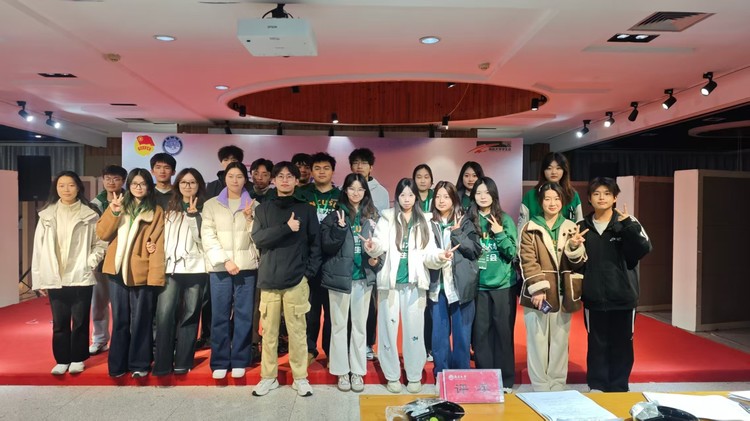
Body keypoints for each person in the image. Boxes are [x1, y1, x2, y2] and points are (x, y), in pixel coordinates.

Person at [362, 178, 452, 394]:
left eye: (410, 195)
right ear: (397, 197)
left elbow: (429, 253)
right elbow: (379, 244)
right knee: (388, 330)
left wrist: (440, 256)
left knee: (414, 331)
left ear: (416, 197)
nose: (407, 199)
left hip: (414, 284)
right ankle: (391, 375)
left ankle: (414, 374)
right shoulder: (387, 218)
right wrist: (372, 247)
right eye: (403, 195)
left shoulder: (424, 220)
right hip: (390, 284)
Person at [251, 162, 321, 397]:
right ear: (273, 180)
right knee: (269, 332)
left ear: (296, 180)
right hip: (269, 279)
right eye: (280, 176)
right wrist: (286, 228)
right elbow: (259, 239)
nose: (284, 180)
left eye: (289, 176)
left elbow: (315, 244)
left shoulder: (306, 210)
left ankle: (300, 377)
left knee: (298, 331)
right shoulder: (263, 209)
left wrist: (307, 273)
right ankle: (268, 377)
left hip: (297, 280)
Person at [578, 177, 651, 392]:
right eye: (596, 194)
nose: (602, 198)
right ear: (589, 198)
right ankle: (597, 385)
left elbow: (644, 249)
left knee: (622, 344)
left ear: (615, 197)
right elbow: (575, 263)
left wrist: (628, 227)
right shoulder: (581, 226)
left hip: (623, 297)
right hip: (593, 298)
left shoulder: (628, 222)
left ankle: (619, 387)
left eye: (607, 193)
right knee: (596, 343)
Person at [31, 171, 107, 375]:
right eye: (61, 185)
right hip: (56, 275)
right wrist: (39, 280)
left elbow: (100, 243)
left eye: (71, 185)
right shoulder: (46, 215)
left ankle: (78, 358)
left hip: (80, 274)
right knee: (59, 322)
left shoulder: (89, 214)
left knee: (80, 320)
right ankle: (62, 359)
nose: (66, 189)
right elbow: (38, 249)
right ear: (56, 189)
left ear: (78, 188)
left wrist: (90, 262)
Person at [518, 182, 588, 392]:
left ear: (563, 201)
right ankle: (540, 385)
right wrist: (538, 288)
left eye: (557, 199)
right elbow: (527, 260)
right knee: (537, 342)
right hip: (538, 296)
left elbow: (579, 263)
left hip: (564, 294)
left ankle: (557, 384)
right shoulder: (530, 227)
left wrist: (574, 247)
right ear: (541, 202)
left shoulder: (571, 227)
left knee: (560, 342)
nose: (552, 203)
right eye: (548, 198)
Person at [96, 168, 165, 378]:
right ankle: (117, 365)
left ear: (149, 187)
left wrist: (155, 276)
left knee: (141, 319)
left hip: (141, 272)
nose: (138, 187)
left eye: (143, 184)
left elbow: (158, 245)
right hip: (117, 271)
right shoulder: (119, 206)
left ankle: (140, 364)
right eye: (135, 184)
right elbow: (102, 233)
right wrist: (114, 212)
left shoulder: (156, 211)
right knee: (120, 319)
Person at [320, 173, 381, 392]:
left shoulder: (372, 217)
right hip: (339, 278)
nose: (356, 193)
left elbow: (381, 247)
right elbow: (326, 245)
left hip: (363, 277)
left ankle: (357, 371)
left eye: (360, 189)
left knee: (359, 327)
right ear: (345, 190)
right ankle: (341, 372)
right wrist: (338, 229)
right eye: (352, 188)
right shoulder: (334, 215)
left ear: (365, 192)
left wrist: (375, 257)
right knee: (338, 326)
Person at [201, 162, 260, 379]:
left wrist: (250, 219)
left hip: (246, 267)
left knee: (244, 315)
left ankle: (240, 360)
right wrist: (225, 260)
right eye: (231, 176)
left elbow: (258, 238)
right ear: (224, 178)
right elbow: (208, 236)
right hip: (220, 268)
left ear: (246, 179)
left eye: (239, 176)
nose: (235, 180)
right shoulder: (211, 205)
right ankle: (219, 361)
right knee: (220, 314)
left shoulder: (255, 205)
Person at [152, 168, 208, 376]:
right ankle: (162, 362)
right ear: (178, 185)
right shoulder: (168, 208)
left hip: (196, 269)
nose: (188, 186)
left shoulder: (206, 210)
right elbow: (159, 236)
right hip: (170, 269)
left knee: (190, 315)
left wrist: (193, 217)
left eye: (192, 182)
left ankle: (183, 361)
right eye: (184, 182)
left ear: (199, 185)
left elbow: (204, 241)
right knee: (164, 315)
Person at [466, 177, 517, 392]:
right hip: (478, 287)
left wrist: (500, 233)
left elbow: (512, 252)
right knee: (481, 335)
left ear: (494, 194)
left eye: (487, 192)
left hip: (503, 286)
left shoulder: (504, 219)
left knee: (503, 333)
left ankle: (505, 380)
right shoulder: (469, 220)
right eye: (478, 193)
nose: (482, 196)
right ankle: (485, 378)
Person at [427, 181, 482, 377]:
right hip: (437, 286)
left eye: (446, 197)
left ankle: (461, 376)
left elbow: (474, 250)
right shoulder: (428, 223)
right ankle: (441, 375)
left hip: (461, 287)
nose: (441, 201)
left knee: (462, 336)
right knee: (439, 336)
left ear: (454, 199)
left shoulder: (465, 221)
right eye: (438, 196)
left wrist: (457, 233)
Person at [298, 152, 341, 366]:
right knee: (310, 309)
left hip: (333, 261)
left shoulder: (341, 196)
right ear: (311, 171)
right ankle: (309, 349)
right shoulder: (302, 194)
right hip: (309, 260)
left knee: (332, 310)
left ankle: (331, 350)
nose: (321, 172)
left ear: (333, 171)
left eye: (326, 168)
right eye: (317, 168)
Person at [349, 147, 388, 360]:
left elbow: (383, 222)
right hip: (350, 255)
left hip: (371, 252)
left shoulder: (381, 192)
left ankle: (367, 344)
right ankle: (351, 342)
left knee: (370, 303)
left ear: (371, 167)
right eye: (355, 163)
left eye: (364, 163)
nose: (359, 166)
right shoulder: (345, 189)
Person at [89, 164, 127, 355]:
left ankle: (124, 339)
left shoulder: (131, 200)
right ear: (102, 180)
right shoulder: (94, 203)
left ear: (123, 181)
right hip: (101, 258)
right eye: (108, 178)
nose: (111, 182)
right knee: (99, 302)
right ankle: (100, 339)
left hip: (124, 257)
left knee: (122, 303)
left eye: (116, 179)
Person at [518, 152, 583, 233]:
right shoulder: (530, 196)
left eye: (558, 168)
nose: (554, 172)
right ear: (543, 171)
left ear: (564, 170)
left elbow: (579, 223)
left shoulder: (572, 195)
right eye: (549, 168)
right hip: (536, 239)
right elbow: (522, 227)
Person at [413, 163, 435, 361]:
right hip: (414, 256)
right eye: (418, 176)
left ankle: (430, 346)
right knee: (417, 306)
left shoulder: (438, 198)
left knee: (432, 306)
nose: (422, 180)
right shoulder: (409, 197)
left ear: (431, 180)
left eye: (426, 176)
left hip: (433, 254)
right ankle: (417, 345)